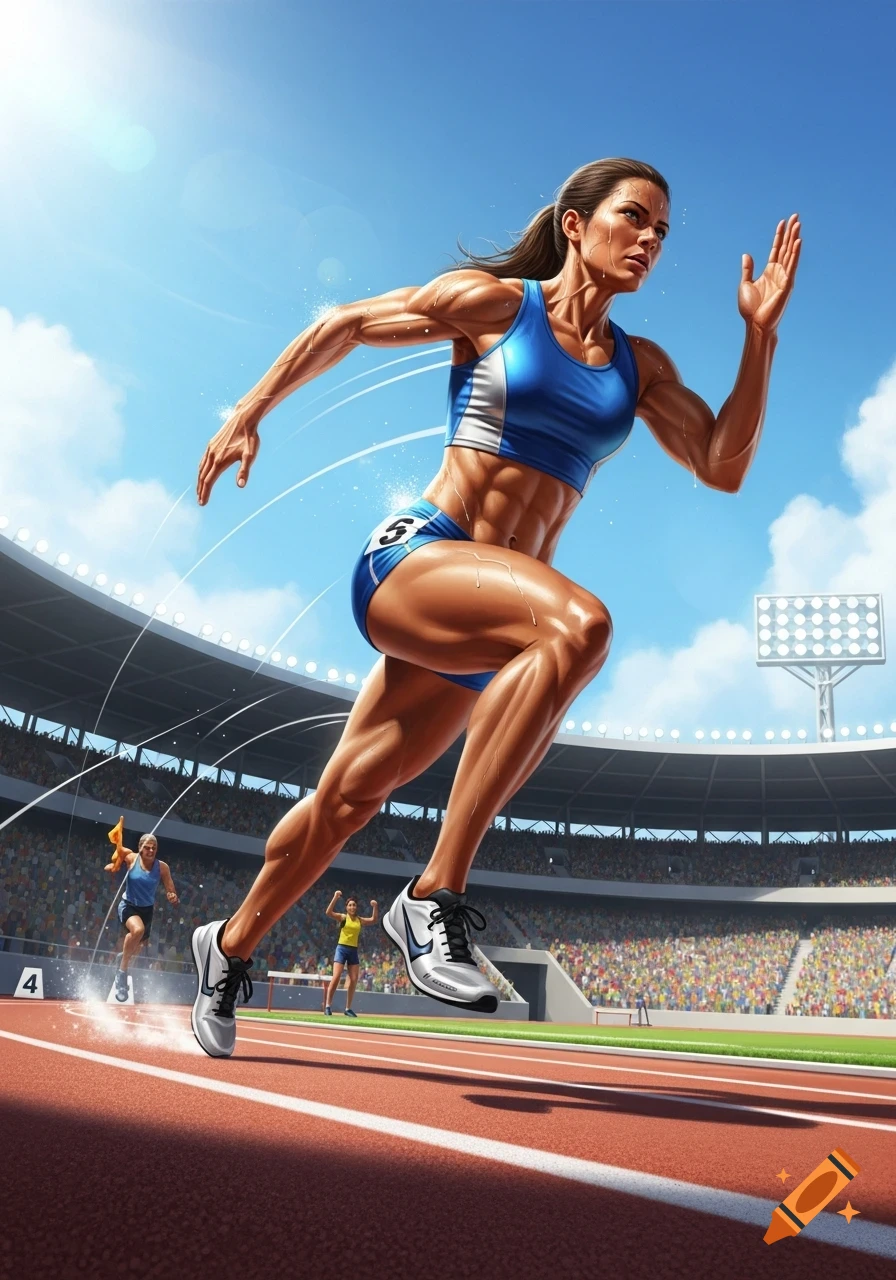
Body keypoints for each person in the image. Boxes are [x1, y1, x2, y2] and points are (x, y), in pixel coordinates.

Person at [189, 156, 801, 1058]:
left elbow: (722, 464)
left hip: (497, 627)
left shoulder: (640, 368)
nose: (649, 240)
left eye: (663, 232)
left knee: (349, 797)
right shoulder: (497, 306)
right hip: (419, 558)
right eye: (634, 218)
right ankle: (434, 896)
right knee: (583, 626)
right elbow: (345, 322)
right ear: (575, 224)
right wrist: (251, 409)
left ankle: (228, 946)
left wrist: (760, 337)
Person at [109, 834, 178, 1002]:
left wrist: (172, 896)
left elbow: (171, 889)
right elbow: (117, 854)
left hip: (147, 911)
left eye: (154, 848)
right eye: (147, 847)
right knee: (137, 930)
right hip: (129, 905)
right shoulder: (131, 858)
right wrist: (113, 865)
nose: (151, 850)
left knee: (137, 948)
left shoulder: (162, 868)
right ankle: (121, 975)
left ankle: (122, 958)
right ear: (140, 848)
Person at [323, 890, 378, 1016]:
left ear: (356, 907)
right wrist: (335, 897)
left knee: (353, 979)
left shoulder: (359, 920)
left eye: (354, 905)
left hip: (353, 950)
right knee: (336, 976)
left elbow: (374, 919)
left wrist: (375, 906)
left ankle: (347, 1008)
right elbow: (328, 912)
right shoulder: (343, 917)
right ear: (346, 907)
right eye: (350, 905)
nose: (352, 907)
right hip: (342, 949)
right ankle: (328, 1006)